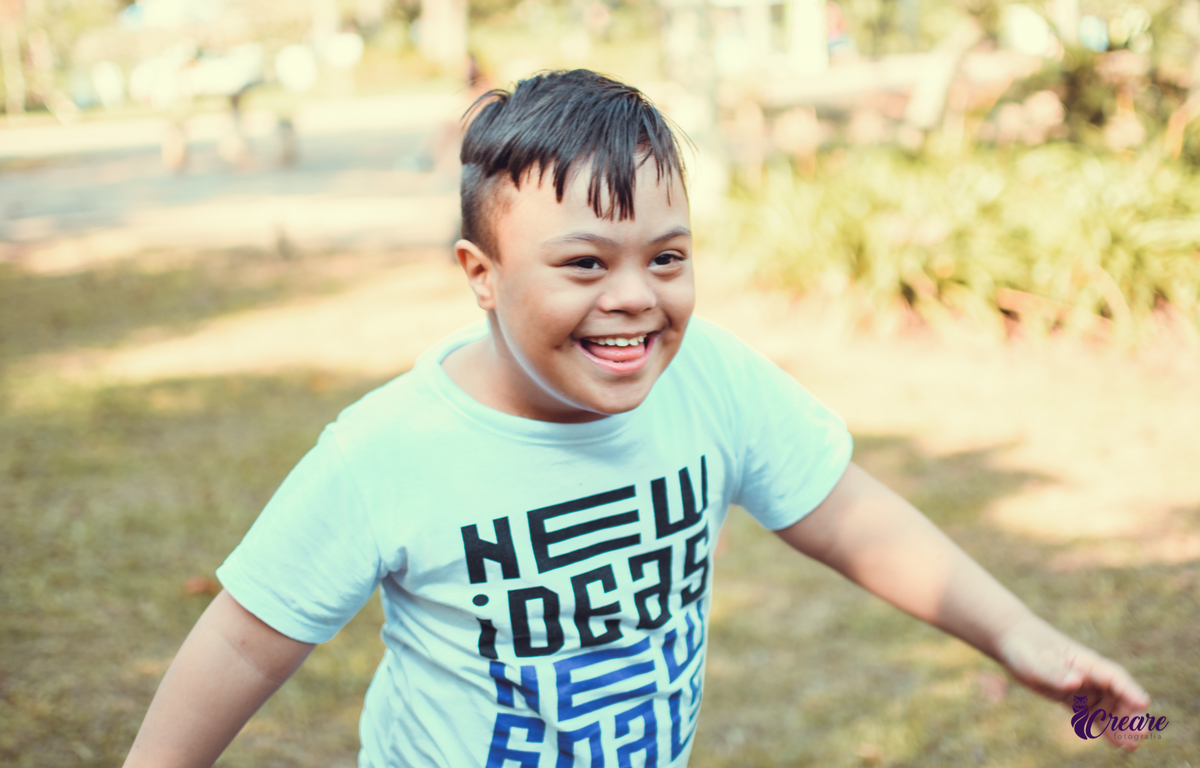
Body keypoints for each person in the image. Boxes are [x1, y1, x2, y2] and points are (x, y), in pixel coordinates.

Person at [123, 70, 1151, 768]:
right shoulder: (387, 451)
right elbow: (248, 643)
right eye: (583, 263)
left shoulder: (711, 379)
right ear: (479, 275)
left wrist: (1017, 632)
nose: (634, 297)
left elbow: (846, 512)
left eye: (666, 256)